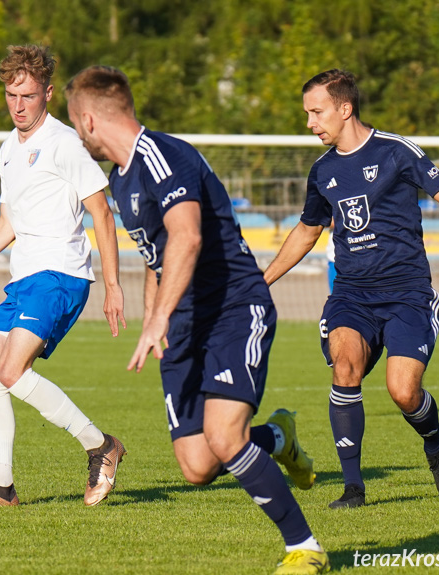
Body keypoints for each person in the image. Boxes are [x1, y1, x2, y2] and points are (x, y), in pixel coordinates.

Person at [66, 65, 329, 575]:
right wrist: (157, 320)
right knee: (197, 466)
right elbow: (155, 257)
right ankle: (278, 437)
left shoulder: (163, 155)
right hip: (182, 324)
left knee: (226, 437)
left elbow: (187, 237)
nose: (79, 136)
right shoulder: (120, 182)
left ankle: (305, 548)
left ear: (90, 119)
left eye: (77, 125)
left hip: (233, 308)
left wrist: (155, 319)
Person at [264, 69, 439, 509]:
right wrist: (261, 283)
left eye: (317, 112)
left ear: (345, 108)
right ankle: (354, 488)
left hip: (407, 294)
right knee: (344, 368)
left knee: (403, 392)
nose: (310, 122)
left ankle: (436, 448)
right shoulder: (323, 170)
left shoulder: (396, 152)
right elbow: (308, 231)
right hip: (351, 294)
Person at [0, 45, 127, 508]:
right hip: (25, 279)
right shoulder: (7, 150)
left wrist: (114, 286)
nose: (18, 105)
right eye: (10, 94)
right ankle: (1, 488)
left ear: (48, 94)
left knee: (12, 371)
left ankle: (101, 447)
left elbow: (102, 212)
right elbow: (9, 224)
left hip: (61, 274)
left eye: (28, 95)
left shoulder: (65, 143)